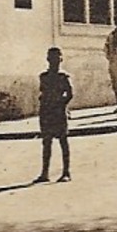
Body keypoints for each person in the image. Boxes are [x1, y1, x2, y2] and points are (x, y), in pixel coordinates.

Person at [34, 47, 73, 183]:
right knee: (46, 142)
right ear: (48, 60)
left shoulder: (63, 77)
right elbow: (42, 92)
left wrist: (62, 104)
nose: (54, 62)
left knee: (63, 141)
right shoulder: (43, 77)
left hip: (58, 111)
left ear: (61, 60)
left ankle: (66, 172)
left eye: (57, 59)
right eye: (52, 59)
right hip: (46, 111)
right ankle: (45, 173)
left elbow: (69, 94)